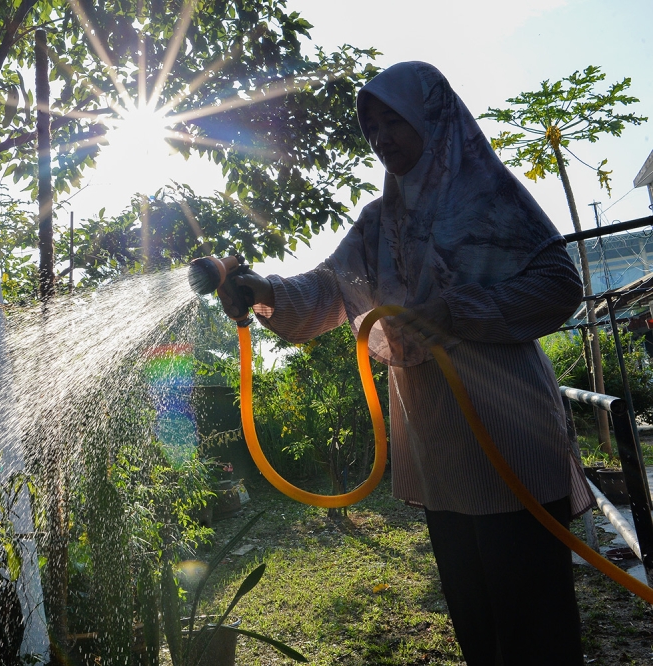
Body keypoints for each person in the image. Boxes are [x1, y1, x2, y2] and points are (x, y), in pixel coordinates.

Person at [218, 61, 592, 666]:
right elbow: (327, 293)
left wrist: (455, 310)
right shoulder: (378, 223)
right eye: (372, 128)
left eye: (395, 120)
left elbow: (558, 285)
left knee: (533, 624)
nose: (382, 138)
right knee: (477, 618)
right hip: (439, 445)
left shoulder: (491, 199)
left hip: (510, 432)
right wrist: (261, 290)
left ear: (435, 118)